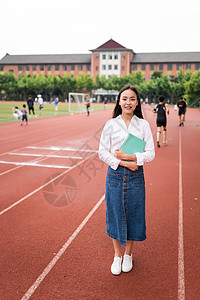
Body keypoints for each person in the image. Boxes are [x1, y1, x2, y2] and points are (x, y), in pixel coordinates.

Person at [99, 85, 155, 276]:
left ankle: (128, 254)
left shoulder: (143, 125)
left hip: (136, 176)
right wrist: (123, 162)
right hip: (115, 175)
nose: (128, 102)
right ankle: (117, 255)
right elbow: (102, 152)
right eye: (124, 99)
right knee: (114, 214)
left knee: (133, 214)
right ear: (119, 101)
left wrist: (132, 160)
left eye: (132, 99)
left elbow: (151, 153)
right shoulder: (111, 124)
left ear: (137, 102)